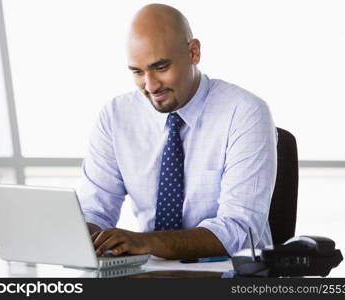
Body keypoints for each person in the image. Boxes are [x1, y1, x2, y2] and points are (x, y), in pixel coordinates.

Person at [78, 3, 277, 260]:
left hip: (230, 274)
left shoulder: (245, 112)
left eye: (161, 67)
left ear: (194, 52)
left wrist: (143, 242)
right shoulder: (115, 116)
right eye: (138, 72)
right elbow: (95, 211)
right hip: (150, 273)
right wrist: (82, 234)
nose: (150, 86)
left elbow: (238, 229)